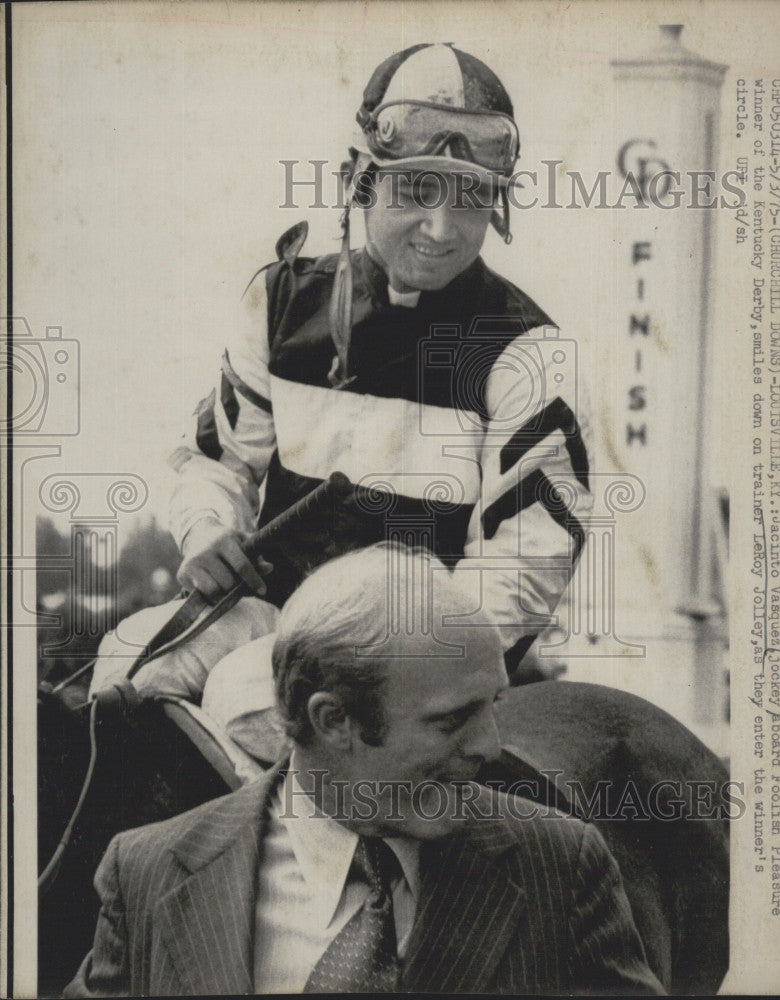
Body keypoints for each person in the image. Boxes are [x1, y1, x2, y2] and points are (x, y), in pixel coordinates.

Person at [90, 42, 593, 756]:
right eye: (416, 191)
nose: (443, 229)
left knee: (245, 697)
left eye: (472, 198)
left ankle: (308, 869)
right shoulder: (278, 300)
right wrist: (208, 537)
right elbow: (217, 463)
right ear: (361, 179)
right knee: (126, 660)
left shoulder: (530, 352)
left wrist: (413, 663)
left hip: (418, 653)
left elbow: (528, 562)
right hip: (275, 618)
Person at [66, 545, 662, 996]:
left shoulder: (562, 865)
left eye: (495, 705)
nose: (490, 746)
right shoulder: (145, 876)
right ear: (333, 721)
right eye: (452, 720)